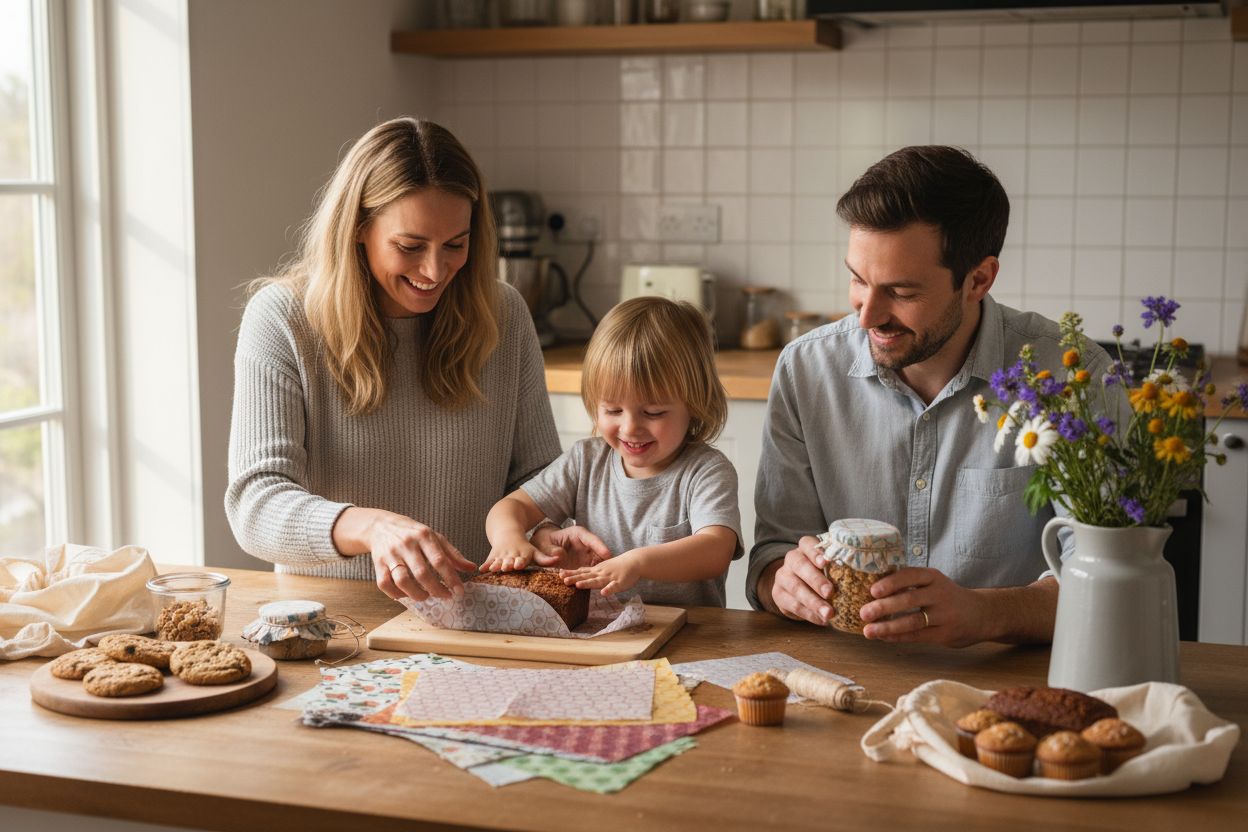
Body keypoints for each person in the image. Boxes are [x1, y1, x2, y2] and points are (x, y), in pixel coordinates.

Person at [747, 145, 1113, 647]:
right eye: (857, 279)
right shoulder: (806, 370)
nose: (867, 315)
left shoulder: (1072, 378)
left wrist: (986, 614)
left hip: (1009, 674)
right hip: (844, 673)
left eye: (901, 292)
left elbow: (1105, 583)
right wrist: (781, 582)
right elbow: (773, 553)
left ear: (978, 279)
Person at [225, 117, 564, 603]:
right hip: (329, 618)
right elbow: (255, 504)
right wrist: (371, 528)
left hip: (475, 614)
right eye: (410, 246)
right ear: (358, 228)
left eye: (456, 244)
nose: (435, 270)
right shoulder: (283, 318)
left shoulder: (503, 313)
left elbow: (540, 482)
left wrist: (547, 530)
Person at [481, 296, 742, 607]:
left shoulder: (707, 471)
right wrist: (508, 537)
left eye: (654, 412)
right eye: (613, 410)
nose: (630, 428)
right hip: (600, 628)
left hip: (691, 629)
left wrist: (638, 563)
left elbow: (716, 549)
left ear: (696, 404)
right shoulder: (586, 461)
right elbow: (510, 507)